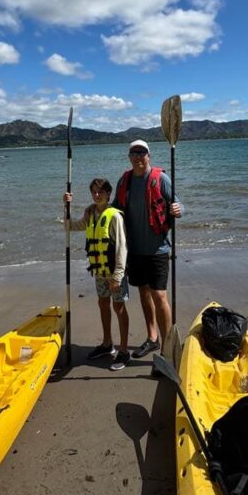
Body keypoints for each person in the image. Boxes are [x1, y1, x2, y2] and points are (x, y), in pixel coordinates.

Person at [112, 140, 183, 358]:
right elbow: (115, 208)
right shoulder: (125, 180)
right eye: (133, 153)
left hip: (158, 249)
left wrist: (179, 209)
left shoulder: (161, 179)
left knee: (159, 295)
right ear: (129, 157)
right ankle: (152, 338)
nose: (137, 157)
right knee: (143, 292)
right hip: (134, 250)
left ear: (148, 156)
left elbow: (178, 204)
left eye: (141, 153)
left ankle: (167, 348)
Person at [63, 178, 131, 371]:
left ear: (109, 194)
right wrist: (66, 206)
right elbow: (70, 227)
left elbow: (122, 248)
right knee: (103, 304)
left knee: (119, 307)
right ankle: (107, 344)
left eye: (101, 192)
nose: (97, 195)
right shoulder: (90, 213)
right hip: (100, 272)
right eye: (94, 191)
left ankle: (124, 351)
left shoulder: (115, 216)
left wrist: (118, 275)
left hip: (115, 272)